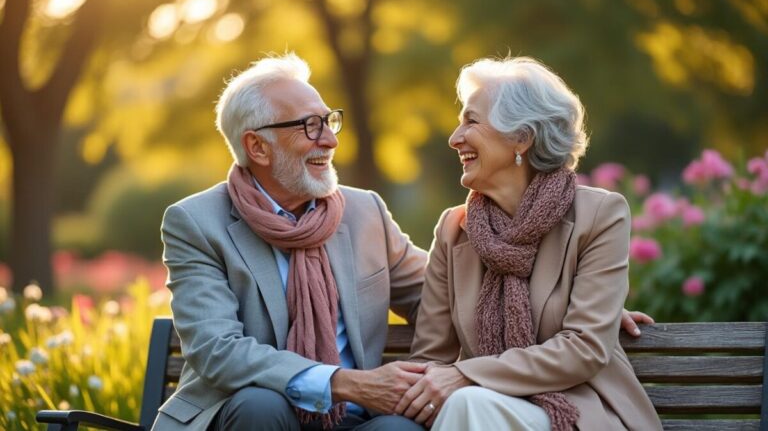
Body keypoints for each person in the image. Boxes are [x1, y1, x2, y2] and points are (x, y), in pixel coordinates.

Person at [155, 53, 652, 431]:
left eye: (329, 121)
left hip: (363, 419)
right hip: (257, 411)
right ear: (257, 146)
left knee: (399, 429)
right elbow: (218, 351)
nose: (330, 139)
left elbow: (436, 295)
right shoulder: (196, 223)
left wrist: (585, 306)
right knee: (261, 406)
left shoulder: (363, 213)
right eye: (310, 126)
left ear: (521, 139)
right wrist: (342, 383)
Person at [398, 57, 662, 431]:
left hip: (581, 413)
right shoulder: (453, 230)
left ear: (521, 138)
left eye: (471, 121)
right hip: (481, 413)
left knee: (471, 403)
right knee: (470, 405)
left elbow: (584, 347)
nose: (455, 138)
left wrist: (470, 376)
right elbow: (430, 360)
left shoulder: (600, 215)